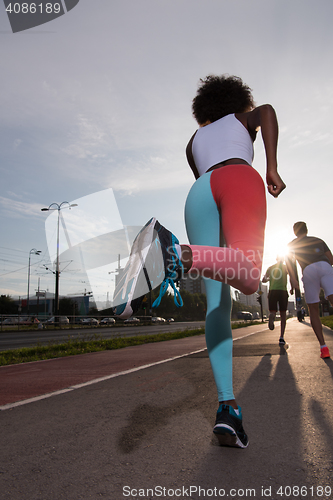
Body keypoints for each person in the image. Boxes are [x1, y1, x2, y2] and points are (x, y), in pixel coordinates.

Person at [114, 74, 286, 448]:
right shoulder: (243, 118)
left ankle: (228, 408)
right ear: (238, 102)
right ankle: (173, 252)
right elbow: (268, 112)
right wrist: (271, 166)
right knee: (250, 275)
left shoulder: (193, 141)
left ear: (203, 111)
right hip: (238, 177)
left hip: (198, 193)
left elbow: (206, 179)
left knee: (217, 303)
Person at [287, 221, 333, 359]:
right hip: (325, 266)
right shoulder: (318, 240)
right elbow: (331, 259)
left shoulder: (291, 244)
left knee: (313, 309)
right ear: (306, 230)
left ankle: (324, 348)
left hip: (308, 270)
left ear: (295, 232)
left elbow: (290, 263)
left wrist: (293, 280)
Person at [262, 255, 289, 345]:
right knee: (283, 315)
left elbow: (263, 280)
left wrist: (270, 278)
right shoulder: (286, 268)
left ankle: (272, 316)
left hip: (272, 291)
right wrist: (293, 287)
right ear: (284, 260)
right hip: (283, 291)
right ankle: (281, 337)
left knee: (273, 311)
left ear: (276, 259)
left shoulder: (270, 268)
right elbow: (292, 276)